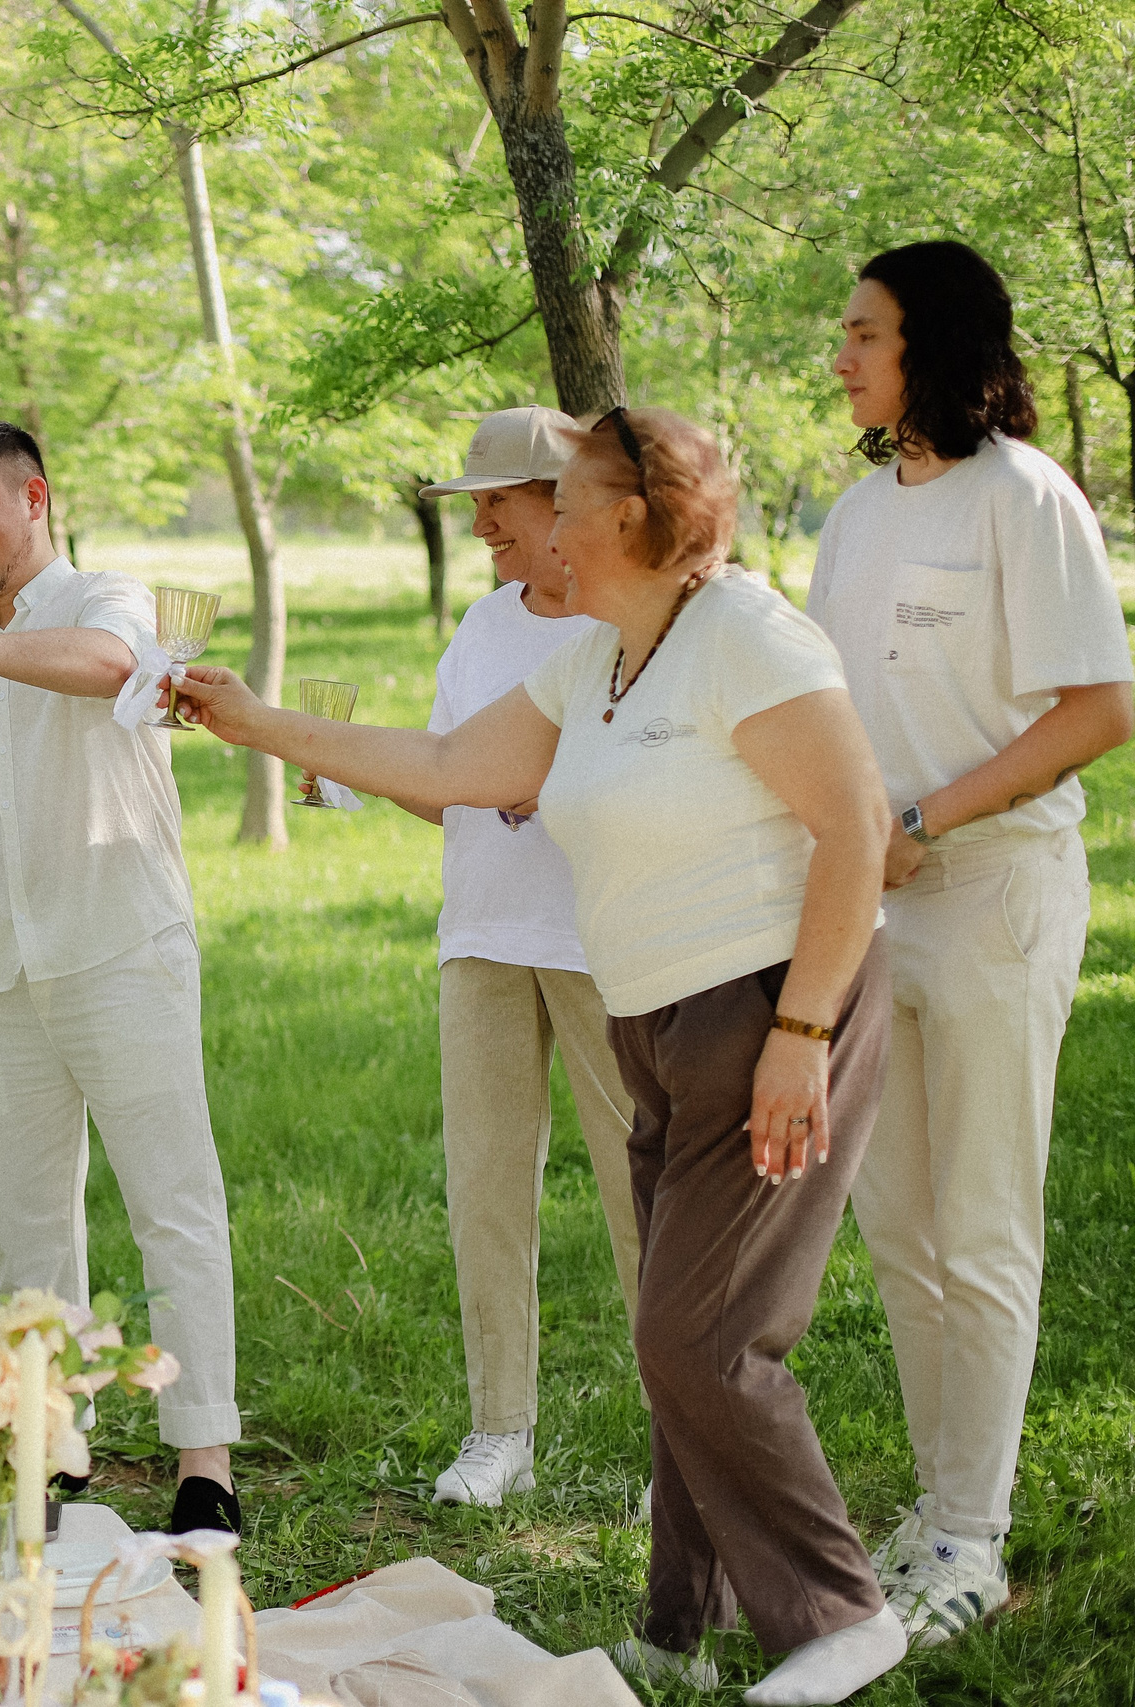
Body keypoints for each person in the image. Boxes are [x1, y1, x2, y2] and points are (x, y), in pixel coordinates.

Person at [175, 409, 907, 1706]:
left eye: (562, 503)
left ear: (631, 516)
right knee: (673, 1327)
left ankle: (841, 1612)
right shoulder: (603, 659)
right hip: (659, 1021)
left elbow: (856, 826)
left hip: (768, 1009)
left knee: (702, 1337)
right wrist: (254, 722)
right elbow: (448, 764)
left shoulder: (747, 633)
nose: (539, 525)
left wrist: (801, 1033)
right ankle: (678, 1626)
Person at [811, 241, 1134, 1646]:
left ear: (930, 343)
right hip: (868, 904)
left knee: (984, 1221)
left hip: (994, 890)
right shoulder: (852, 514)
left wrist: (924, 814)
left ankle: (971, 1539)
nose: (842, 357)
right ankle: (941, 1503)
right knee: (899, 1227)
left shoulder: (1026, 497)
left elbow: (1100, 707)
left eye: (864, 333)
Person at [0, 419, 243, 1534]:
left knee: (172, 1204)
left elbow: (112, 668)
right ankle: (51, 1439)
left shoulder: (108, 600)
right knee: (28, 1225)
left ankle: (203, 1462)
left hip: (121, 949)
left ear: (35, 498)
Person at [394, 408, 643, 1508]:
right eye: (477, 503)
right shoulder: (482, 627)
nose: (482, 522)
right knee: (485, 1191)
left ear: (560, 500)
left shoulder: (629, 622)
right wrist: (349, 771)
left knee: (642, 1194)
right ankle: (501, 1430)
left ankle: (686, 1442)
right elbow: (448, 777)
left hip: (603, 943)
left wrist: (564, 786)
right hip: (483, 939)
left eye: (498, 500)